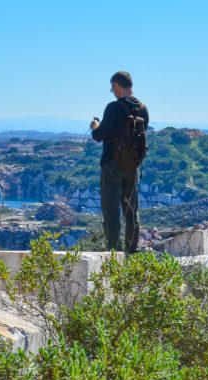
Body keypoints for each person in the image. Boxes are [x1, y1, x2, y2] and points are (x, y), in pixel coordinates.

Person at [90, 71, 150, 254]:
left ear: (117, 85)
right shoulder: (143, 109)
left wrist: (95, 125)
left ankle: (113, 253)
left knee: (111, 211)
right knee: (131, 210)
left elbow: (99, 135)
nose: (112, 92)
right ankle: (131, 252)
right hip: (133, 166)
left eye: (112, 88)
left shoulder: (113, 108)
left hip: (112, 164)